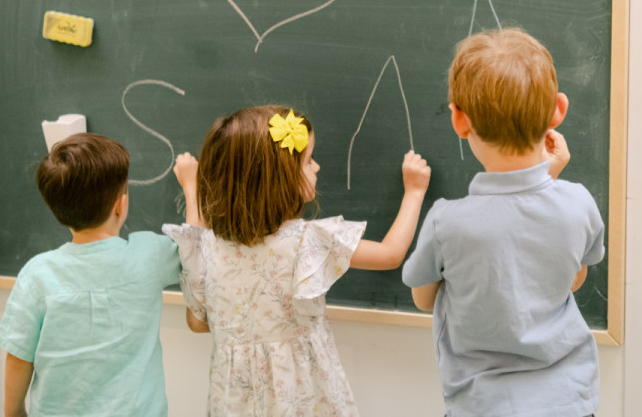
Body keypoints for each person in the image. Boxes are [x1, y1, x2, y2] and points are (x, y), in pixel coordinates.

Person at [164, 104, 430, 416]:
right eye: (307, 161)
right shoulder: (308, 243)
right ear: (279, 180)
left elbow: (197, 323)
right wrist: (414, 192)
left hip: (235, 403)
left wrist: (192, 187)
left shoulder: (206, 249)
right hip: (304, 397)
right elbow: (390, 254)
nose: (316, 167)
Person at [402, 28, 605, 417]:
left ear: (459, 120)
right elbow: (572, 278)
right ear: (558, 111)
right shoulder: (578, 203)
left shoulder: (446, 222)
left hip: (482, 406)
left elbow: (424, 298)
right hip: (568, 402)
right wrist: (551, 178)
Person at [0, 133, 181, 417]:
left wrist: (14, 411)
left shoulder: (37, 274)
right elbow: (197, 246)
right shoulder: (151, 255)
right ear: (120, 204)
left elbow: (19, 357)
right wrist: (191, 187)